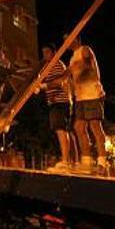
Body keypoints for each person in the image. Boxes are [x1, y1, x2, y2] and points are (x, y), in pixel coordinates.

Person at [68, 36, 107, 173]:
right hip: (80, 97)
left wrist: (75, 69)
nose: (68, 43)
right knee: (79, 127)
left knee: (95, 126)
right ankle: (86, 162)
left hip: (91, 93)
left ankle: (102, 162)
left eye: (70, 39)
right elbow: (72, 77)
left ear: (77, 39)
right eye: (66, 41)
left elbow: (88, 65)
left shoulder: (84, 50)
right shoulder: (72, 58)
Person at [38, 44, 76, 172]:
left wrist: (43, 86)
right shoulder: (48, 67)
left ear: (54, 53)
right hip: (55, 101)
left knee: (61, 129)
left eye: (48, 52)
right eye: (43, 53)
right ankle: (71, 160)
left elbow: (60, 81)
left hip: (61, 101)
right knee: (64, 130)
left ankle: (66, 160)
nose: (45, 55)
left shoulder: (57, 65)